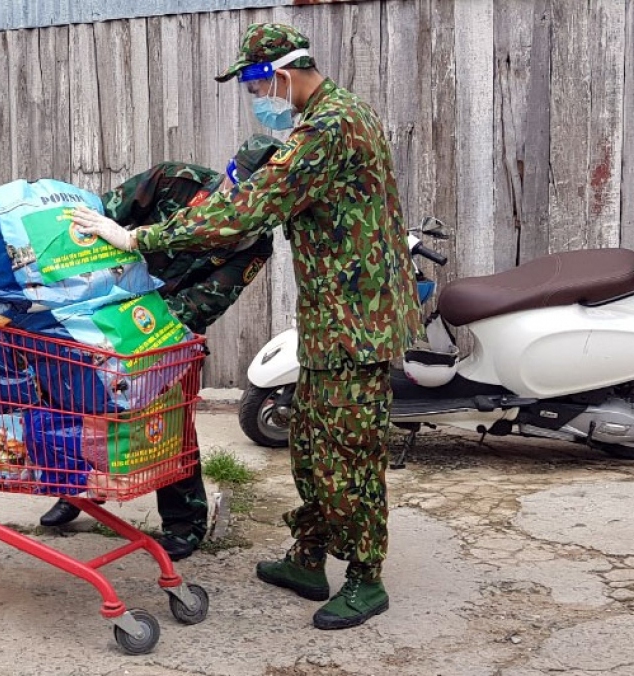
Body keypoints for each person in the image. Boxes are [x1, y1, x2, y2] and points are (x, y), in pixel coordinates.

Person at [71, 23, 421, 630]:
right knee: (313, 447)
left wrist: (138, 237)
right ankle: (309, 558)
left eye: (256, 84)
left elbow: (247, 210)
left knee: (350, 455)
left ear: (281, 75)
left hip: (358, 323)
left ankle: (367, 578)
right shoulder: (329, 118)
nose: (255, 98)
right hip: (330, 319)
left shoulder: (332, 126)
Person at [40, 135, 282, 562]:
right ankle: (77, 490)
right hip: (97, 306)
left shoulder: (254, 245)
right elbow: (96, 219)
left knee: (169, 425)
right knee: (80, 409)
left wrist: (132, 332)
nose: (232, 199)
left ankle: (184, 522)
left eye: (248, 197)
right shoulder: (175, 181)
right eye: (232, 185)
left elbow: (202, 303)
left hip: (164, 335)